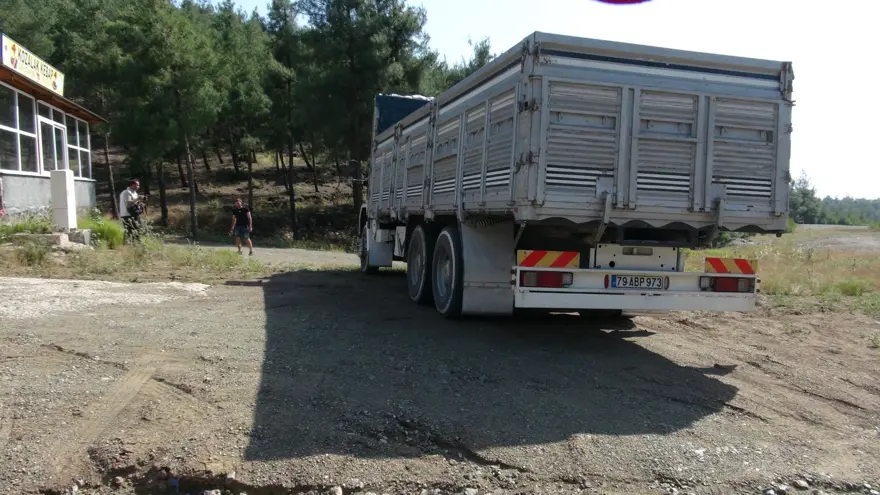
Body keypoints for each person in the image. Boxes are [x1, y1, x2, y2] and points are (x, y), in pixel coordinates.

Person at [119, 179, 142, 243]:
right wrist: (138, 198)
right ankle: (127, 244)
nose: (138, 186)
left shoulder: (134, 192)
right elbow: (129, 203)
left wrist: (141, 203)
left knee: (137, 228)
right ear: (132, 185)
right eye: (137, 185)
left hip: (134, 213)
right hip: (127, 214)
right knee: (129, 230)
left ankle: (136, 243)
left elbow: (135, 202)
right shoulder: (127, 192)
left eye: (138, 185)